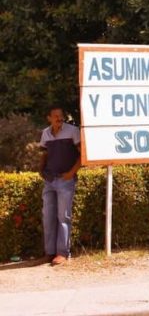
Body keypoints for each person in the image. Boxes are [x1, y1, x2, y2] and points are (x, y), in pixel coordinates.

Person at [38, 105, 81, 266]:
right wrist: (41, 170)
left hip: (66, 180)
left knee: (63, 216)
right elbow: (44, 154)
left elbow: (83, 154)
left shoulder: (72, 131)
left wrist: (71, 173)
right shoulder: (45, 133)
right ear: (49, 118)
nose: (59, 118)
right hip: (49, 180)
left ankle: (62, 253)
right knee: (48, 216)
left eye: (60, 115)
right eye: (55, 116)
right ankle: (49, 253)